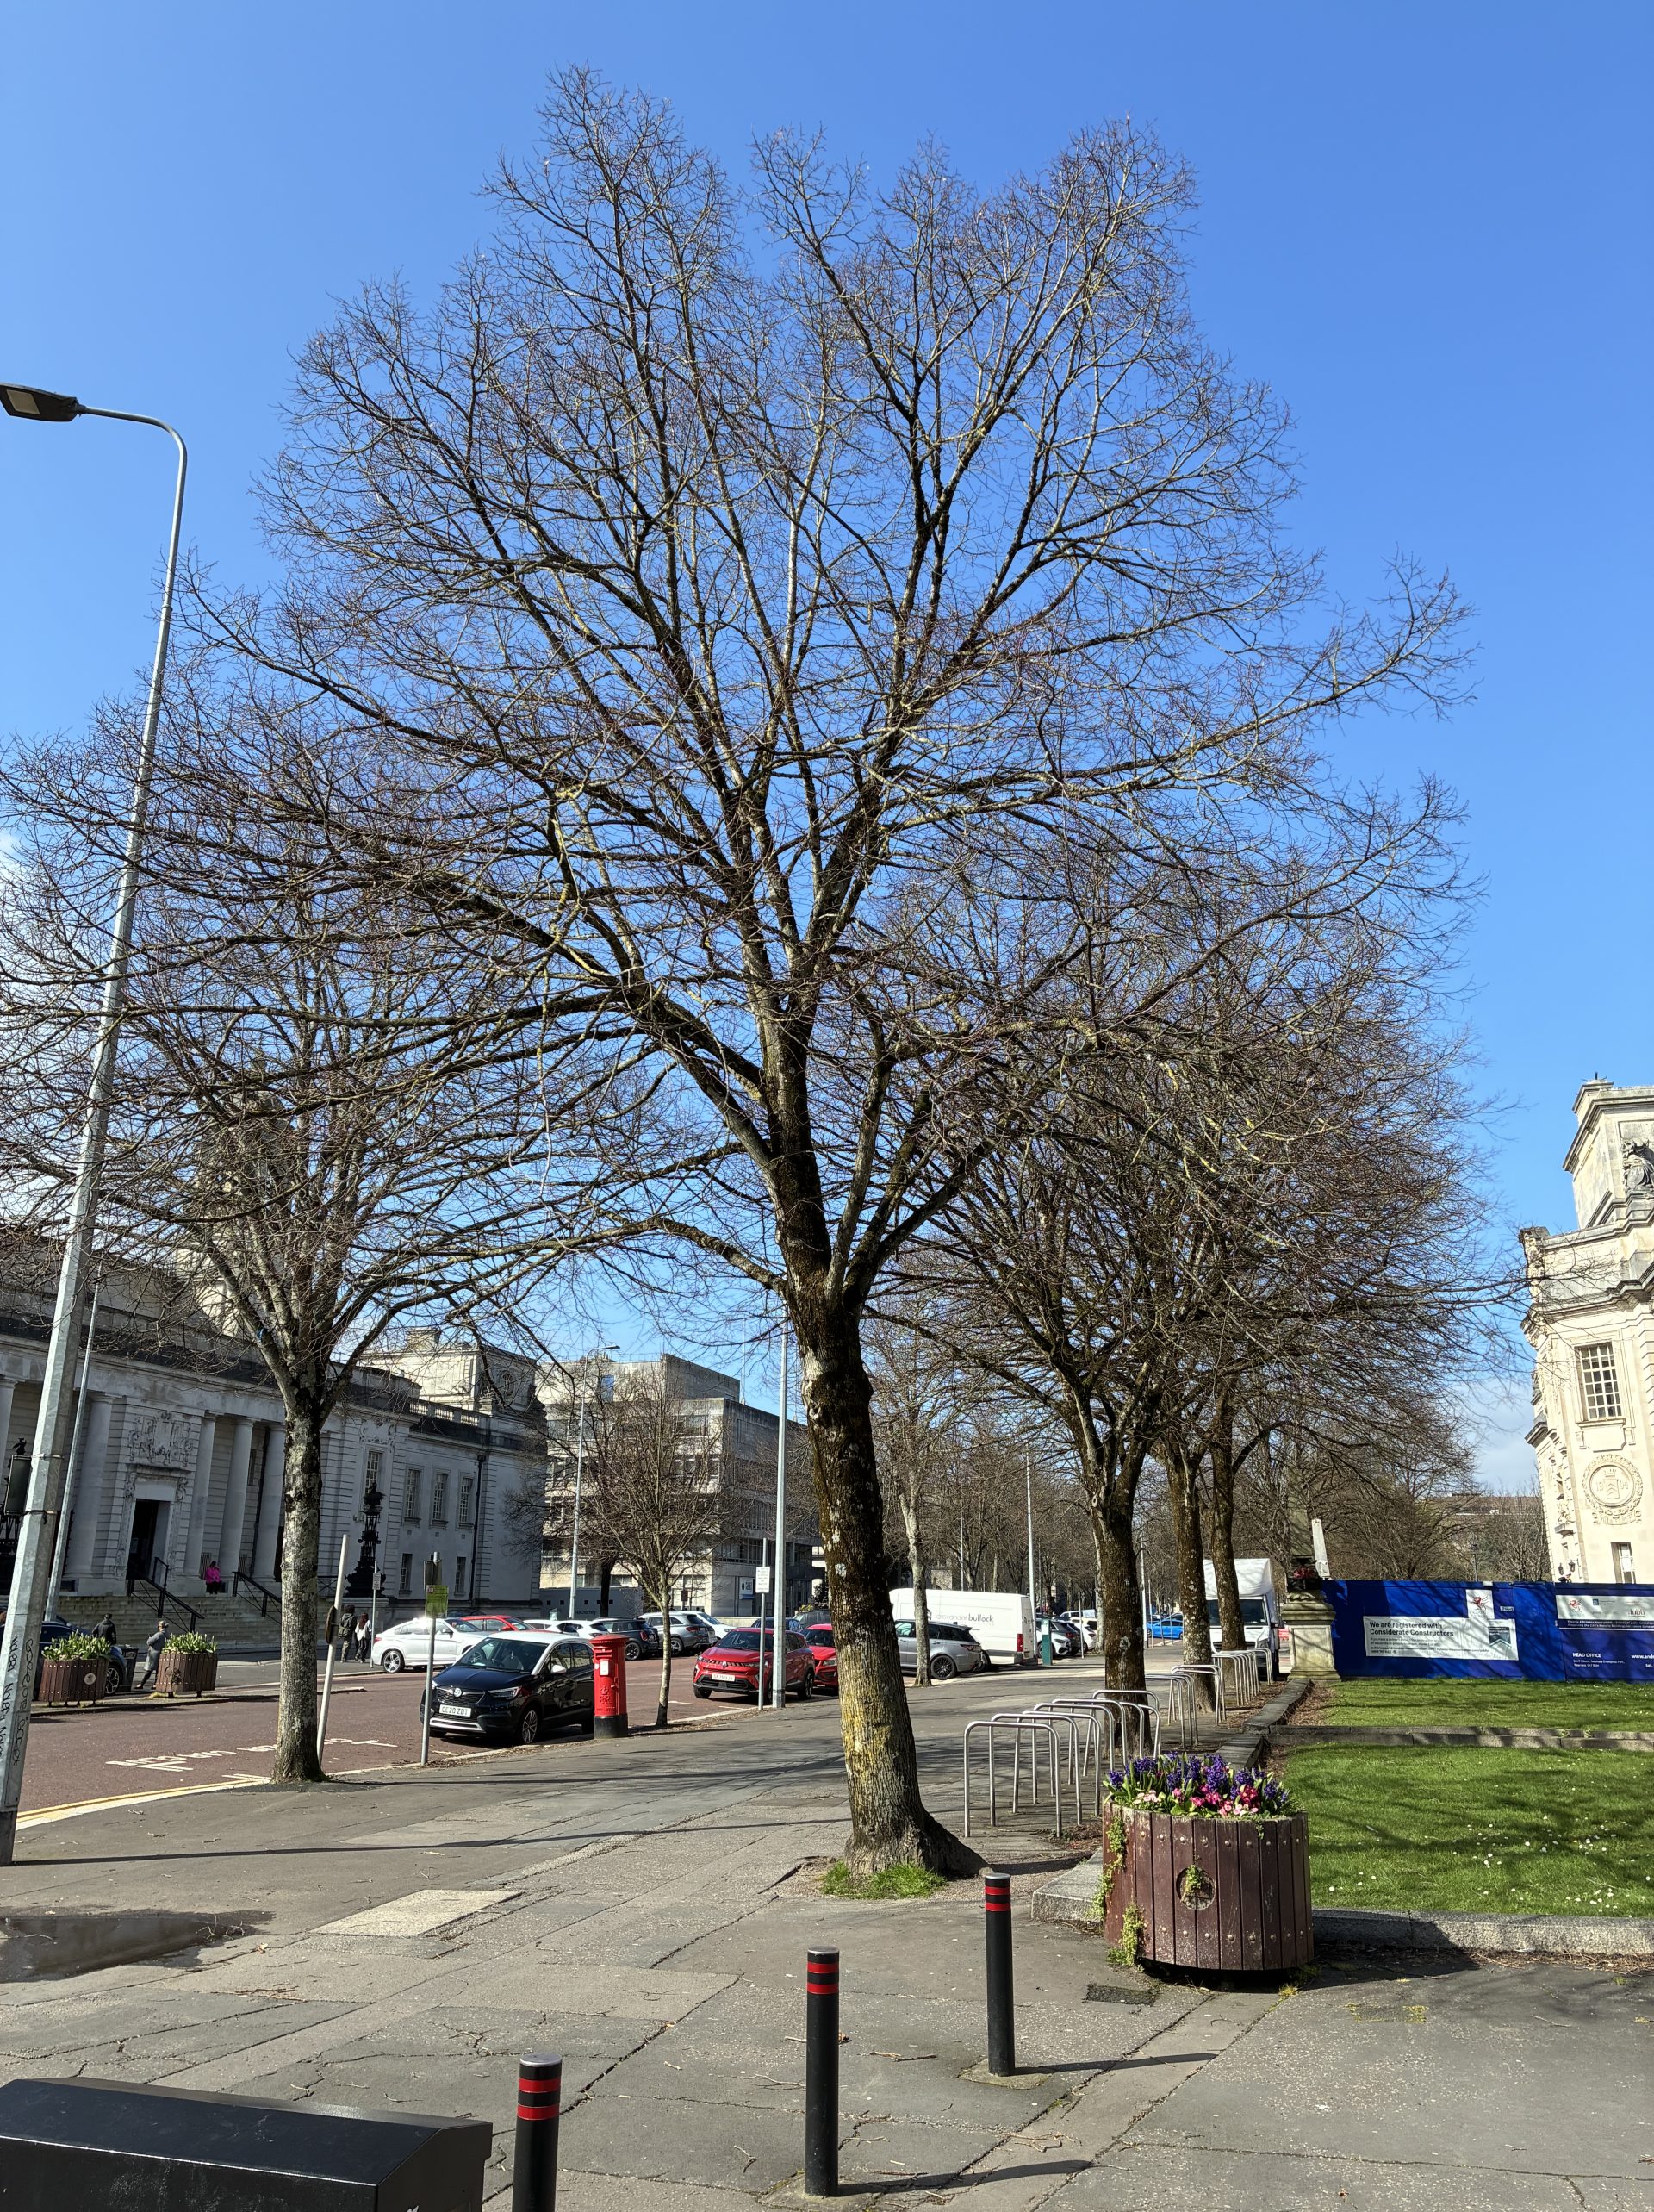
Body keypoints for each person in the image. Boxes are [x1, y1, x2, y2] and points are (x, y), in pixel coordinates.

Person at [136, 1617, 168, 1693]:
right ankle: (155, 1684)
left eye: (159, 1626)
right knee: (158, 1670)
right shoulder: (167, 1634)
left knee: (149, 1670)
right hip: (161, 1653)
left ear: (161, 1627)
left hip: (154, 1654)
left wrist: (150, 1637)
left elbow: (149, 1642)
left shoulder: (158, 1634)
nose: (158, 1628)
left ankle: (141, 1684)